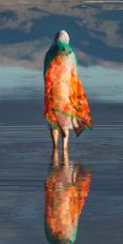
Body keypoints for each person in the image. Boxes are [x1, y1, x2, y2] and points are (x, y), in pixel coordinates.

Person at [43, 29, 92, 158]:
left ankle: (55, 148)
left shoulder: (50, 52)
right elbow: (74, 74)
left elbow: (46, 72)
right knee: (65, 116)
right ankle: (64, 146)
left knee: (53, 117)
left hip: (53, 89)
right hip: (66, 89)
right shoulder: (71, 54)